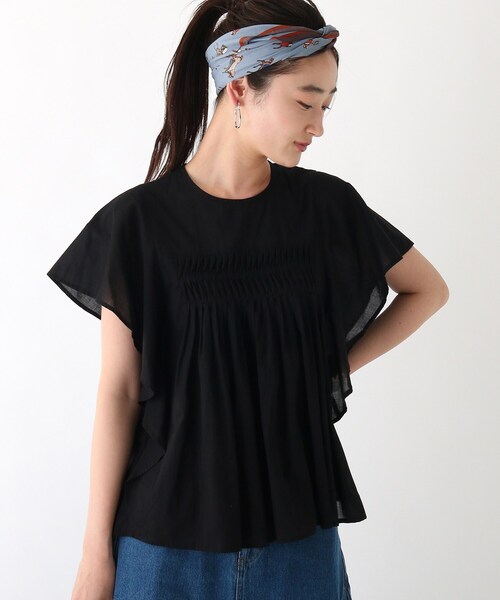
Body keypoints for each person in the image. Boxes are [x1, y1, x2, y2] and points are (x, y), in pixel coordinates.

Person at [47, 0, 449, 598]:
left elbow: (427, 290)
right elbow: (120, 392)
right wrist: (94, 555)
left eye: (327, 106)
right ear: (239, 90)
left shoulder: (326, 207)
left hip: (298, 542)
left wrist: (330, 367)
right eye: (306, 102)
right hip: (165, 548)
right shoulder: (138, 225)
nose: (318, 126)